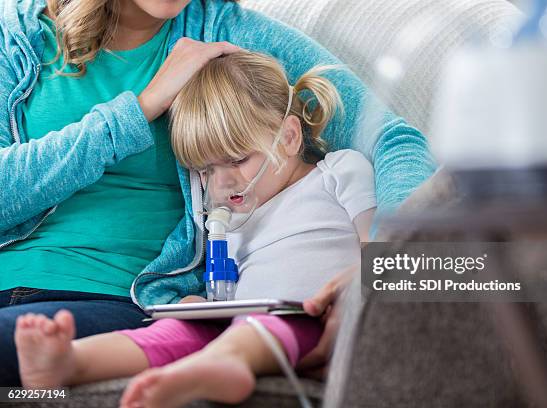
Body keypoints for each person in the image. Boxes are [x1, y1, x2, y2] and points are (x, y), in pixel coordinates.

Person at [0, 0, 435, 385]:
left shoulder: (233, 38)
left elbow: (393, 140)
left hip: (115, 296)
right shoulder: (18, 36)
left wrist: (381, 275)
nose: (221, 180)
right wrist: (142, 108)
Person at [15, 51, 376, 408]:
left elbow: (390, 248)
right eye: (205, 171)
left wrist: (358, 286)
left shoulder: (339, 173)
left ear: (289, 137)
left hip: (317, 317)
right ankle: (76, 361)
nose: (222, 182)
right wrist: (199, 304)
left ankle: (226, 364)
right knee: (176, 331)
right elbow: (229, 288)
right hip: (247, 323)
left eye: (237, 160)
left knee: (278, 324)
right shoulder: (230, 223)